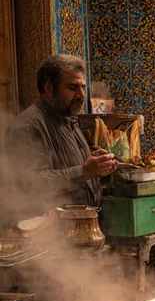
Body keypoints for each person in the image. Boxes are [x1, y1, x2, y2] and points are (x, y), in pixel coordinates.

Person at [2, 54, 117, 226]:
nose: (81, 95)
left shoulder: (68, 118)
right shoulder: (27, 127)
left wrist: (100, 164)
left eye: (83, 88)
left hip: (81, 230)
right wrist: (83, 171)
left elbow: (73, 164)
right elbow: (28, 186)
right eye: (72, 87)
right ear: (49, 88)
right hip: (50, 236)